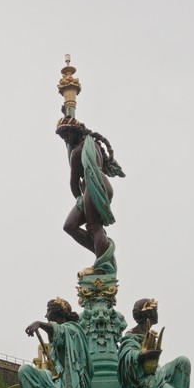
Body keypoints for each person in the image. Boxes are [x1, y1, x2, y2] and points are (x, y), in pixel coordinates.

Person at [56, 117, 125, 274]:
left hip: (93, 185)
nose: (66, 140)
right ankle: (101, 254)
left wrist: (79, 199)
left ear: (74, 133)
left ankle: (102, 265)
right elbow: (70, 143)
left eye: (66, 136)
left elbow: (73, 184)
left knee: (94, 226)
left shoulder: (77, 152)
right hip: (102, 183)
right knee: (71, 226)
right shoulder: (91, 143)